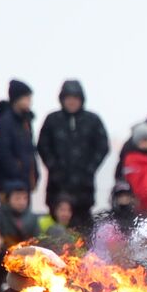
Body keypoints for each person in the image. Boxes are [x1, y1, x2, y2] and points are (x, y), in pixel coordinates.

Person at [36, 79, 108, 229]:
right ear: (62, 99)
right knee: (56, 231)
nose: (72, 102)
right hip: (57, 185)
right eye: (68, 98)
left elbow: (102, 147)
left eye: (75, 98)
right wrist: (53, 166)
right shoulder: (52, 120)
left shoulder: (92, 120)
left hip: (84, 187)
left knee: (83, 231)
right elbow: (42, 146)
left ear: (81, 100)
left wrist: (90, 168)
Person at [0, 79, 38, 195]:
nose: (30, 101)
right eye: (27, 98)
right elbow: (3, 151)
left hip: (26, 181)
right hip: (10, 184)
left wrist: (34, 174)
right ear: (17, 99)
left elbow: (30, 150)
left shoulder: (25, 121)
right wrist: (17, 169)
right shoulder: (5, 121)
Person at [0, 180, 38, 249]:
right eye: (17, 198)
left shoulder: (33, 218)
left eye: (25, 198)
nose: (22, 202)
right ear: (7, 199)